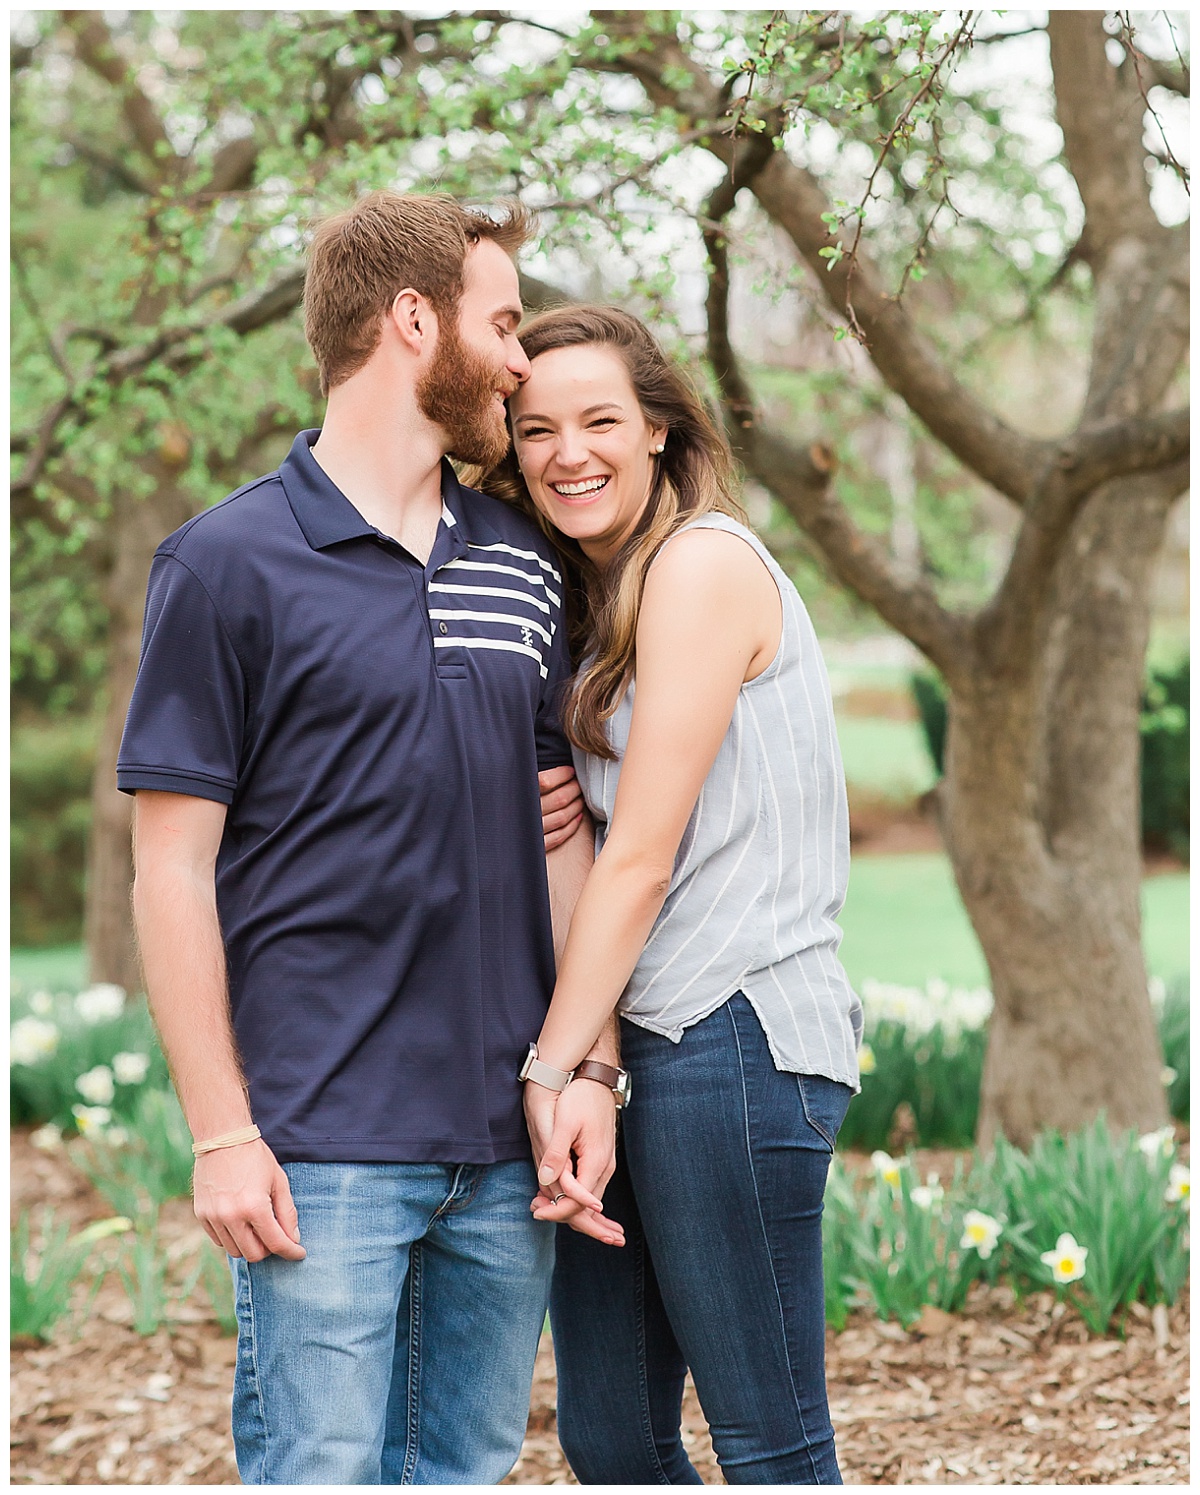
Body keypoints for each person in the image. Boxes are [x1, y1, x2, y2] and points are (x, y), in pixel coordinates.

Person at [116, 192, 624, 1486]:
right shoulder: (224, 563)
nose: (518, 360)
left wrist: (590, 1069)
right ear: (412, 319)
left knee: (462, 1471)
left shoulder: (522, 558)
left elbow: (565, 831)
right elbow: (167, 867)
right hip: (319, 1141)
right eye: (500, 323)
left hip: (506, 1148)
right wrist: (221, 1127)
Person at [481, 305, 864, 1484]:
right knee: (612, 1441)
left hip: (734, 1035)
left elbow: (645, 857)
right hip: (630, 1049)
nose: (568, 453)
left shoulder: (701, 565)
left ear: (658, 428)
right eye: (534, 430)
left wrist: (550, 1071)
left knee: (769, 1441)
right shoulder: (589, 605)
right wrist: (588, 1064)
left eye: (600, 419)